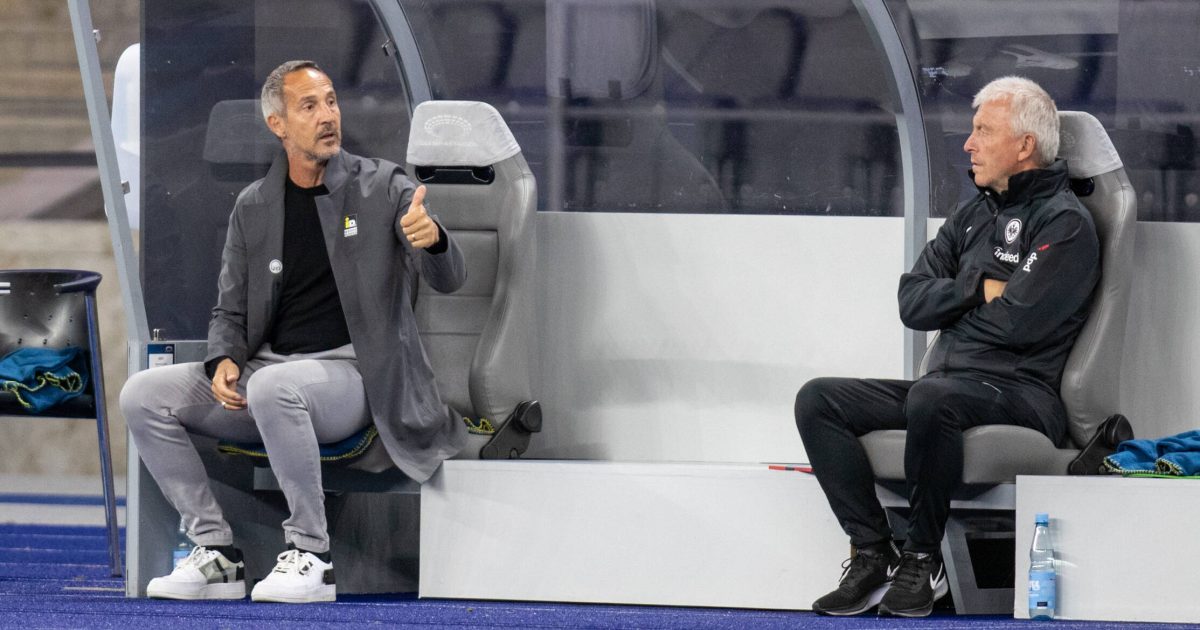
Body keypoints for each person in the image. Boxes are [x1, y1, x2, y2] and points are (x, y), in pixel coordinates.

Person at [119, 60, 468, 603]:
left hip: (355, 377)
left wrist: (435, 240)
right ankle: (217, 552)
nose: (328, 116)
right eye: (309, 106)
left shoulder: (383, 186)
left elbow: (450, 280)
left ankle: (312, 553)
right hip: (268, 374)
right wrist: (224, 360)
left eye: (331, 101)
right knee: (143, 394)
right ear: (278, 124)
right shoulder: (253, 207)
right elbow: (229, 311)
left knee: (272, 388)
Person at [794, 76, 1099, 618]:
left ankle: (921, 557)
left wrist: (956, 310)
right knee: (818, 399)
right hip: (947, 387)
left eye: (983, 130)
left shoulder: (1065, 224)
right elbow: (912, 302)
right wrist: (977, 289)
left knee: (933, 399)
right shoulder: (972, 215)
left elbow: (1017, 326)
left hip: (1024, 395)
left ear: (1024, 146)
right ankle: (871, 553)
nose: (968, 143)